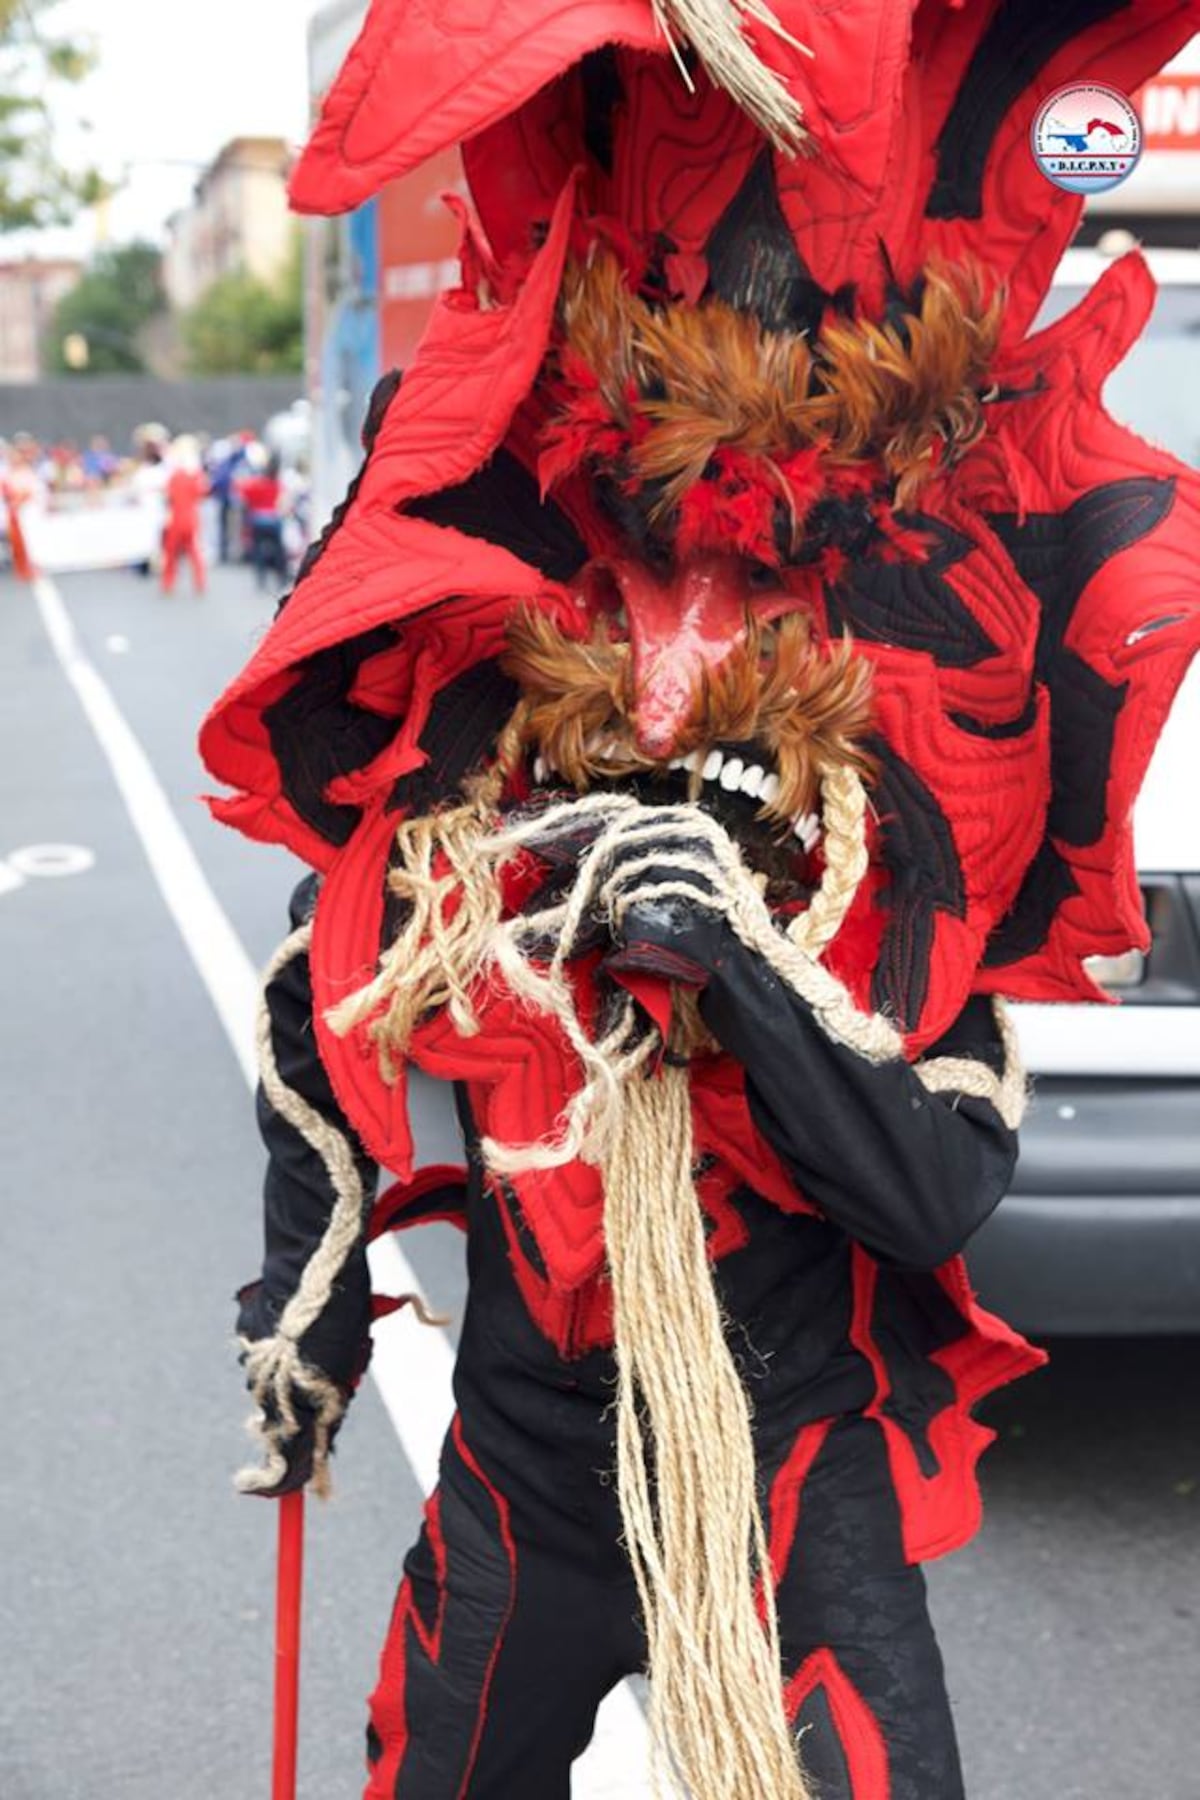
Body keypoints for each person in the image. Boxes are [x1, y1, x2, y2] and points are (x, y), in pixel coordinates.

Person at [202, 3, 1200, 1796]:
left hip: (781, 1462)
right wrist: (310, 1307)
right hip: (529, 1455)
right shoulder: (501, 671)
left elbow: (937, 1177)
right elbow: (333, 971)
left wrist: (736, 959)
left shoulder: (909, 734)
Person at [161, 435, 208, 597]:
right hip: (191, 518)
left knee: (171, 554)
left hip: (176, 517)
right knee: (194, 553)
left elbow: (168, 497)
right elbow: (201, 494)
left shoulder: (174, 476)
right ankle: (200, 583)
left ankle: (168, 584)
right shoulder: (195, 476)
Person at [235, 445, 287, 590]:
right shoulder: (278, 485)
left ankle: (261, 580)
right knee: (278, 551)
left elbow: (243, 494)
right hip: (274, 520)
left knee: (258, 551)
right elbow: (283, 503)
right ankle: (280, 578)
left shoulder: (256, 484)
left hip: (257, 520)